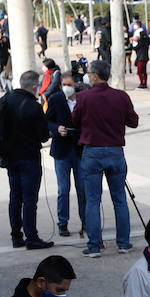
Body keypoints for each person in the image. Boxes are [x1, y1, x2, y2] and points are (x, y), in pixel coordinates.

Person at [72, 61, 139, 258]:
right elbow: (133, 121)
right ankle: (123, 243)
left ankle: (94, 246)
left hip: (92, 151)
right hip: (115, 151)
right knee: (119, 199)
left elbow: (74, 121)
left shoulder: (83, 97)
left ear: (94, 75)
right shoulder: (121, 96)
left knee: (93, 200)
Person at [0, 71, 55, 250]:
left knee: (15, 197)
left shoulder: (6, 100)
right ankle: (32, 237)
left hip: (10, 157)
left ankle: (16, 236)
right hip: (28, 158)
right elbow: (43, 136)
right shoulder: (33, 106)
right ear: (34, 86)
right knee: (29, 199)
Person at [46, 70, 85, 239]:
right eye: (64, 85)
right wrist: (56, 129)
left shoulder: (84, 98)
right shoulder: (56, 99)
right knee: (63, 189)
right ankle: (63, 223)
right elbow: (47, 120)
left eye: (70, 85)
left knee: (82, 188)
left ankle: (86, 221)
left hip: (80, 149)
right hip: (62, 150)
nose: (67, 88)